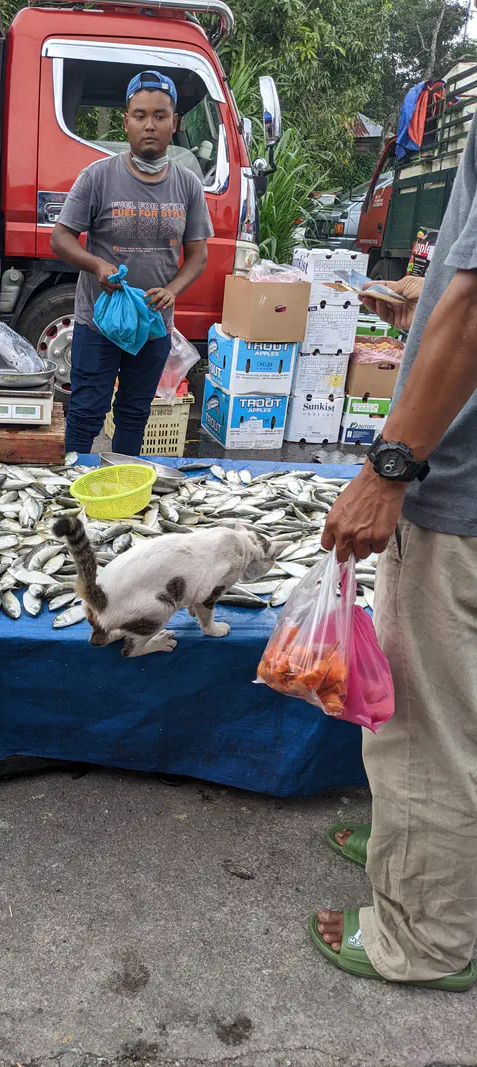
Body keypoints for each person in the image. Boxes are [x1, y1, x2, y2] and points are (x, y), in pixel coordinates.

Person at [311, 114, 477, 992]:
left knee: (426, 731)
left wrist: (391, 469)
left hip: (461, 496)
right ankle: (428, 855)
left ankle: (425, 936)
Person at [50, 70, 212, 456]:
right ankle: (73, 484)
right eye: (139, 115)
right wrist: (96, 266)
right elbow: (60, 238)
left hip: (153, 325)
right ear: (126, 122)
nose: (149, 125)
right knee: (87, 410)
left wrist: (172, 291)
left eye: (160, 115)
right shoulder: (98, 177)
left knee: (135, 413)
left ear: (175, 123)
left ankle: (123, 483)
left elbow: (199, 256)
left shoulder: (188, 184)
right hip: (98, 322)